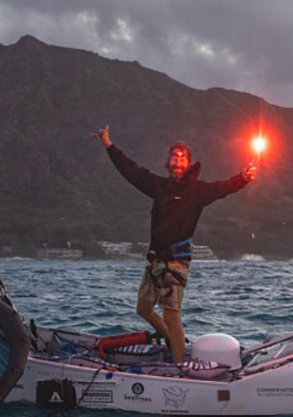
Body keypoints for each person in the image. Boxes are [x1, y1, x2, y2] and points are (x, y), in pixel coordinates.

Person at [93, 124, 255, 363]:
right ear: (168, 163)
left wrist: (243, 178)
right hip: (155, 259)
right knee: (143, 309)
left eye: (182, 156)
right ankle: (172, 341)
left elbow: (224, 187)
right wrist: (109, 146)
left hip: (177, 262)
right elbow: (131, 170)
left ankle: (179, 367)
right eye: (173, 156)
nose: (177, 159)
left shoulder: (198, 191)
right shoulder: (158, 186)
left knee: (171, 315)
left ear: (189, 163)